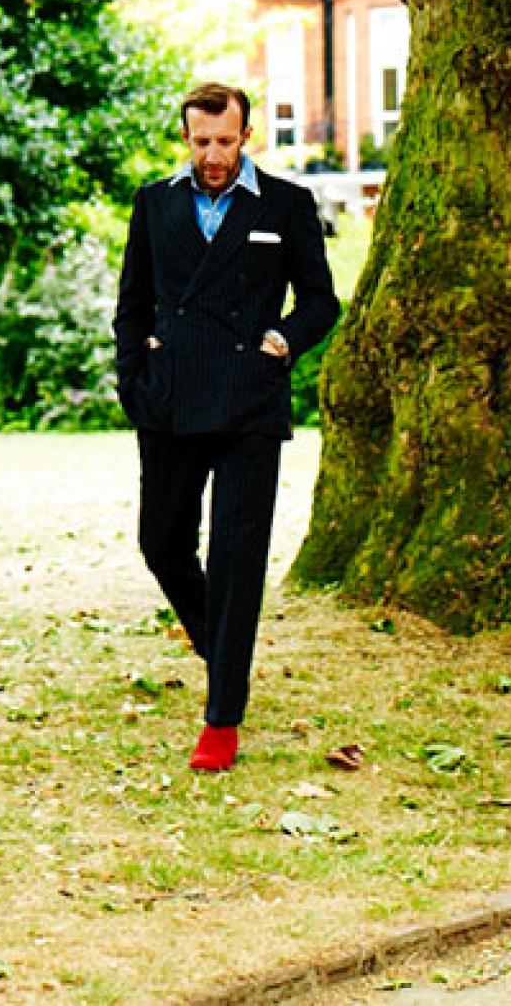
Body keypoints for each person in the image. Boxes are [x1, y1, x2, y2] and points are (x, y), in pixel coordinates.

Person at [111, 81, 341, 775]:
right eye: (201, 140)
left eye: (225, 140)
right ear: (186, 137)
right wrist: (134, 379)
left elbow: (321, 300)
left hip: (248, 402)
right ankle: (224, 646)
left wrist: (284, 338)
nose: (213, 154)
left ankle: (223, 715)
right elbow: (132, 304)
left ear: (246, 136)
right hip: (172, 398)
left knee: (239, 559)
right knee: (163, 542)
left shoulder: (286, 205)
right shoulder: (154, 204)